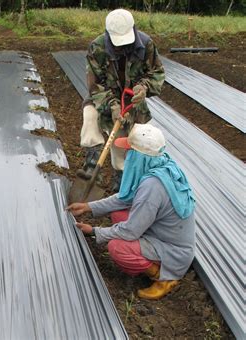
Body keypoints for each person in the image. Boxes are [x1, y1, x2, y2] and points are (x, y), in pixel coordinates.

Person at [68, 124, 195, 300]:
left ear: (140, 157)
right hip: (163, 234)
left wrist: (95, 232)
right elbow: (125, 198)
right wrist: (89, 206)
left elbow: (130, 231)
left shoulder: (152, 187)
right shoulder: (161, 164)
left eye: (130, 151)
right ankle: (152, 260)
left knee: (117, 247)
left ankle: (164, 278)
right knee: (119, 213)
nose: (127, 155)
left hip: (172, 252)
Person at [79, 8, 165, 191]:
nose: (121, 48)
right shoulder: (97, 48)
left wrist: (144, 87)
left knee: (122, 138)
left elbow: (157, 73)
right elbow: (95, 85)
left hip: (131, 100)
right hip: (102, 97)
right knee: (90, 116)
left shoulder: (146, 45)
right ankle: (93, 160)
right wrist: (112, 104)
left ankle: (121, 176)